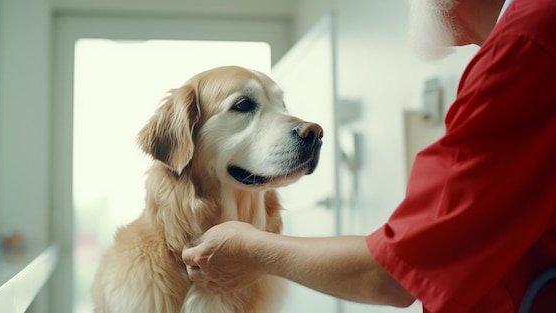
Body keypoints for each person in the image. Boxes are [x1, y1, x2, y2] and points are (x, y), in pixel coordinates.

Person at [181, 0, 556, 311]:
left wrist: (253, 251)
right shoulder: (525, 41)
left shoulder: (529, 43)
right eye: (244, 105)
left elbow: (394, 275)